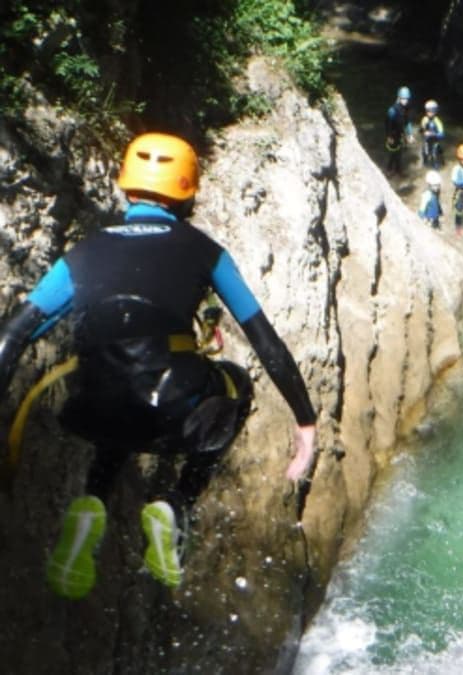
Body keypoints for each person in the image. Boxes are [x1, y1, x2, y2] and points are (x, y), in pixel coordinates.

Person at [0, 133, 318, 598]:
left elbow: (11, 336)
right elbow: (264, 341)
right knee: (236, 383)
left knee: (118, 396)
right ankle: (176, 505)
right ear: (187, 190)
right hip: (174, 412)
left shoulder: (82, 254)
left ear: (127, 185)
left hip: (90, 410)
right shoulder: (205, 252)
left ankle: (93, 502)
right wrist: (305, 421)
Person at [385, 86, 414, 176]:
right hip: (393, 134)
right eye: (403, 99)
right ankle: (389, 169)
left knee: (400, 152)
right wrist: (389, 136)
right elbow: (388, 124)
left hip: (400, 132)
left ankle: (398, 169)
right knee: (393, 153)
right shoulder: (392, 110)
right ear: (399, 98)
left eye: (406, 99)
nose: (405, 101)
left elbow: (407, 121)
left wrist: (410, 134)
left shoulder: (406, 108)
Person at [419, 99, 445, 169]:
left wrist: (432, 134)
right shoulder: (424, 119)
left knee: (434, 153)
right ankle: (425, 164)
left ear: (435, 111)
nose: (430, 113)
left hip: (435, 141)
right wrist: (423, 131)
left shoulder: (437, 121)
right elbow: (421, 130)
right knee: (424, 152)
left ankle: (436, 166)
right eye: (428, 111)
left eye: (432, 111)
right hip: (427, 141)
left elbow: (442, 134)